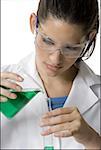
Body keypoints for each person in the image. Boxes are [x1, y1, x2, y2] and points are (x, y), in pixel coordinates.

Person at [0, 0, 101, 149]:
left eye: (71, 48)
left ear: (90, 37)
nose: (55, 59)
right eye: (48, 41)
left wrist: (92, 140)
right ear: (33, 23)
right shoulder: (4, 82)